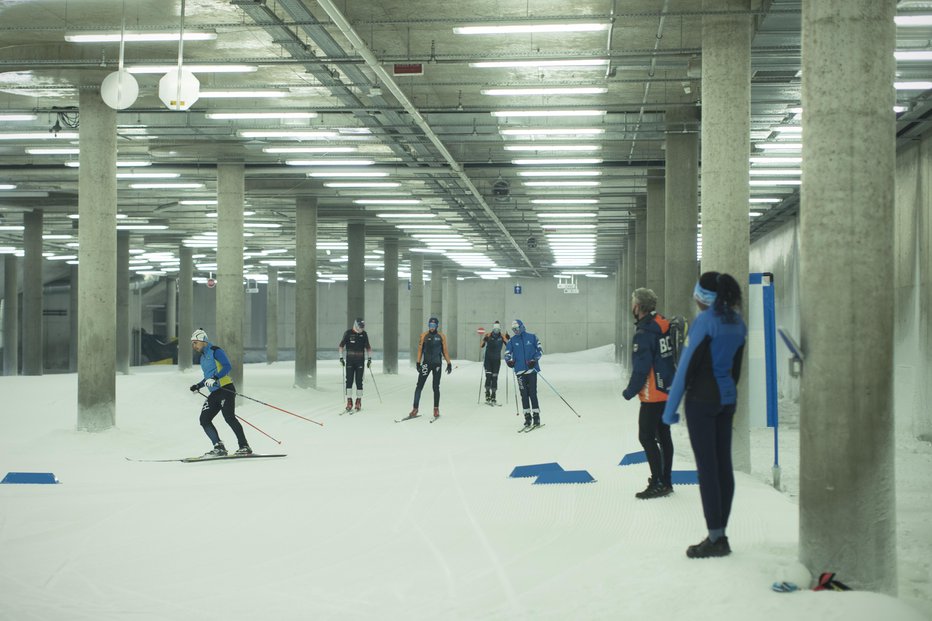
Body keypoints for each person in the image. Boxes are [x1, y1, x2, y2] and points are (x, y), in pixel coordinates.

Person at [662, 272, 747, 559]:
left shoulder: (705, 322)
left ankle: (715, 538)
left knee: (708, 470)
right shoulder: (737, 323)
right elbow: (736, 369)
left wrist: (669, 410)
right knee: (724, 466)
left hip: (701, 401)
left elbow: (685, 368)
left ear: (702, 297)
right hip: (726, 400)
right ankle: (720, 533)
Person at [622, 288, 677, 500]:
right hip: (667, 389)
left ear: (638, 307)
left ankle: (657, 482)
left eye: (632, 303)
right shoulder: (662, 325)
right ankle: (666, 480)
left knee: (645, 436)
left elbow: (641, 368)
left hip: (653, 394)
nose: (631, 306)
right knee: (664, 436)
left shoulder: (644, 333)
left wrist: (630, 391)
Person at [188, 328, 251, 457]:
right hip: (215, 393)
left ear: (203, 341)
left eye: (196, 343)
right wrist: (198, 386)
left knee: (229, 418)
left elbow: (227, 366)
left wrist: (216, 378)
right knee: (204, 419)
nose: (194, 346)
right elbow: (208, 377)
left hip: (225, 389)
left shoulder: (215, 351)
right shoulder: (203, 358)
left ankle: (244, 446)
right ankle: (219, 447)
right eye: (193, 343)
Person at [408, 316, 452, 419]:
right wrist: (418, 362)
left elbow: (444, 351)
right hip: (426, 364)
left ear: (437, 326)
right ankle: (415, 408)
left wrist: (449, 363)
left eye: (433, 325)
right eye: (430, 325)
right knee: (419, 386)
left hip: (437, 364)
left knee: (435, 387)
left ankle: (436, 409)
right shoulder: (424, 335)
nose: (431, 327)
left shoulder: (441, 336)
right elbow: (419, 350)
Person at [504, 319, 543, 429]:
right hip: (520, 372)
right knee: (524, 395)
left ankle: (536, 416)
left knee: (532, 393)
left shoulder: (532, 337)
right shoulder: (512, 341)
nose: (515, 331)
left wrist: (534, 360)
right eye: (513, 329)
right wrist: (509, 361)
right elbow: (507, 353)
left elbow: (540, 350)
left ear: (521, 327)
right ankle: (527, 417)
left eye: (516, 329)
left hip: (531, 371)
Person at [339, 318, 372, 412]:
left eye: (363, 327)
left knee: (359, 381)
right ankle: (349, 401)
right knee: (349, 381)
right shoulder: (348, 333)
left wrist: (369, 359)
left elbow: (368, 348)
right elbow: (341, 346)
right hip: (350, 361)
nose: (361, 329)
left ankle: (358, 401)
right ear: (356, 325)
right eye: (360, 327)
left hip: (360, 361)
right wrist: (341, 358)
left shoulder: (364, 334)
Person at [480, 320, 509, 404]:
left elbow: (509, 345)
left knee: (495, 377)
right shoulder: (488, 335)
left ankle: (493, 395)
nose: (496, 331)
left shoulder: (502, 336)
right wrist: (485, 339)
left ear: (499, 329)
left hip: (496, 360)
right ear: (493, 329)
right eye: (495, 330)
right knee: (488, 376)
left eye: (498, 330)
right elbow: (481, 346)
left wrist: (508, 338)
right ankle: (487, 392)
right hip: (488, 359)